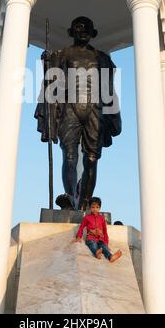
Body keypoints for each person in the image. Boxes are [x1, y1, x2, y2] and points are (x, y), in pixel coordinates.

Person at [35, 17, 122, 211]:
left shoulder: (103, 58)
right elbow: (52, 81)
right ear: (71, 31)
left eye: (86, 28)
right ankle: (72, 197)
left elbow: (109, 89)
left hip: (95, 109)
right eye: (78, 27)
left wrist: (114, 114)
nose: (82, 31)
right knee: (70, 156)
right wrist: (47, 63)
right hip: (70, 107)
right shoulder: (62, 54)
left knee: (91, 157)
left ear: (93, 33)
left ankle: (84, 200)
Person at [75, 197, 122, 263]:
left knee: (104, 247)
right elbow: (81, 227)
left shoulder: (102, 218)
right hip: (91, 238)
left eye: (97, 207)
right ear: (90, 208)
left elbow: (105, 232)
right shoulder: (87, 218)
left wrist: (106, 243)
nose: (95, 209)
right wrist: (79, 237)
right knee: (93, 245)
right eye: (93, 207)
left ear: (99, 208)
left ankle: (110, 257)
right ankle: (97, 254)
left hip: (100, 239)